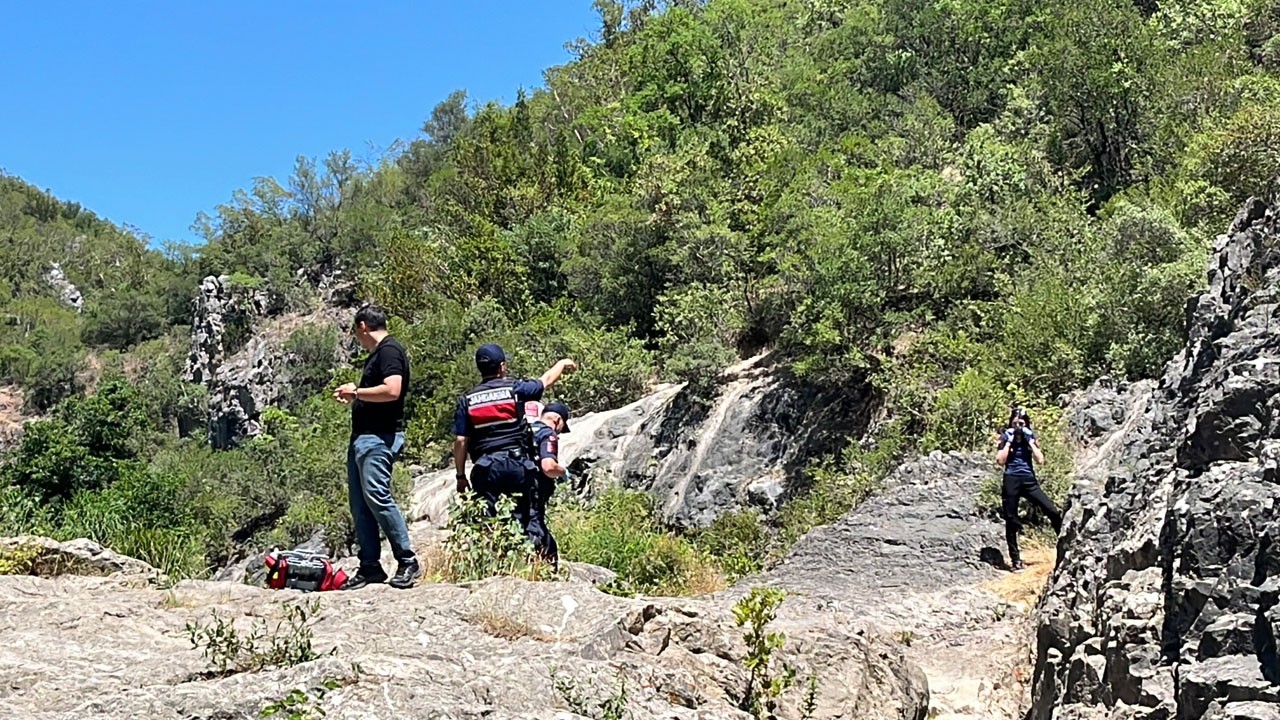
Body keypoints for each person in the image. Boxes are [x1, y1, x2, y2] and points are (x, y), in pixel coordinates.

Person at [332, 304, 420, 590]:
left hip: (379, 437)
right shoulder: (378, 354)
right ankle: (370, 566)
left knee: (377, 496)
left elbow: (393, 390)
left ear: (362, 327)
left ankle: (407, 560)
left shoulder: (389, 351)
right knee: (361, 504)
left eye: (357, 334)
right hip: (363, 437)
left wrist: (356, 392)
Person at [453, 344, 576, 520]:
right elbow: (546, 380)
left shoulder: (467, 401)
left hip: (486, 469)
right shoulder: (515, 389)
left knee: (490, 524)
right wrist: (562, 363)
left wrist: (460, 476)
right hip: (517, 465)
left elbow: (460, 441)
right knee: (526, 521)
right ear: (502, 366)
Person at [996, 406, 1062, 573]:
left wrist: (1030, 441)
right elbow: (1000, 461)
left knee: (1051, 510)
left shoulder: (1029, 436)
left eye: (1022, 423)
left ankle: (1063, 545)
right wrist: (1009, 441)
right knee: (1011, 519)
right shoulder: (1006, 437)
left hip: (1028, 480)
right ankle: (1015, 559)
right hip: (1011, 479)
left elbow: (1040, 460)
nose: (1018, 426)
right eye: (1015, 422)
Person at [525, 401, 573, 568]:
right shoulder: (548, 434)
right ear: (558, 420)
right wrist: (562, 472)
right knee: (544, 544)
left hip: (516, 489)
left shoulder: (524, 430)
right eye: (562, 427)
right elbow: (548, 467)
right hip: (534, 494)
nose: (559, 432)